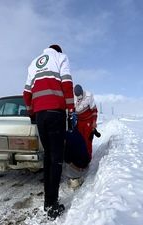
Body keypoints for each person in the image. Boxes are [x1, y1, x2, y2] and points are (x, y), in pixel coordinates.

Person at [23, 44, 74, 219]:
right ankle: (52, 206)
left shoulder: (34, 62)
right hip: (55, 113)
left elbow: (26, 92)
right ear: (58, 51)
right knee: (56, 158)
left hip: (41, 115)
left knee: (47, 157)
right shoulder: (61, 58)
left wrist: (31, 112)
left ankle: (47, 202)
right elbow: (67, 84)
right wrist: (71, 108)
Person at [73, 84, 99, 161]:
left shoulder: (89, 96)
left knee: (87, 140)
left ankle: (88, 158)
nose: (78, 97)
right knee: (79, 140)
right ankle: (80, 158)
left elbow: (94, 110)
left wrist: (94, 121)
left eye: (79, 95)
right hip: (79, 122)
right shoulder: (72, 97)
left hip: (88, 121)